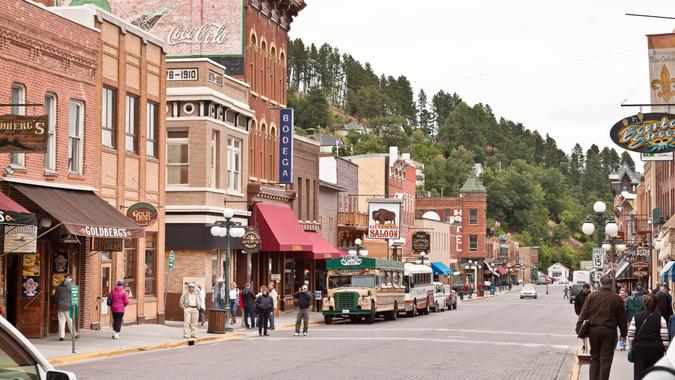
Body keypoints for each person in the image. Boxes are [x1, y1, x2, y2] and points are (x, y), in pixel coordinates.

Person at [575, 275, 627, 380]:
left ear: (600, 283)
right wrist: (623, 333)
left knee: (594, 357)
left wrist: (579, 329)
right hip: (609, 330)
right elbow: (622, 318)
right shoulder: (616, 298)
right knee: (606, 359)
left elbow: (583, 314)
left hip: (594, 330)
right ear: (611, 284)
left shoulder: (592, 296)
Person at [628, 293, 670, 379]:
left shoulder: (636, 317)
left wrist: (632, 345)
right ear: (656, 305)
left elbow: (631, 334)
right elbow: (664, 336)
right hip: (656, 349)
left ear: (644, 304)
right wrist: (666, 349)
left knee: (639, 372)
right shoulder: (660, 318)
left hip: (640, 348)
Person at [55, 275, 78, 341]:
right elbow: (75, 299)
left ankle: (61, 336)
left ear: (64, 279)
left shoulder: (58, 287)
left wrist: (57, 304)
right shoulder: (73, 287)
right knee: (70, 321)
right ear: (70, 280)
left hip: (60, 306)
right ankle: (74, 334)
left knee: (61, 321)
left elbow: (56, 297)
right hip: (69, 307)